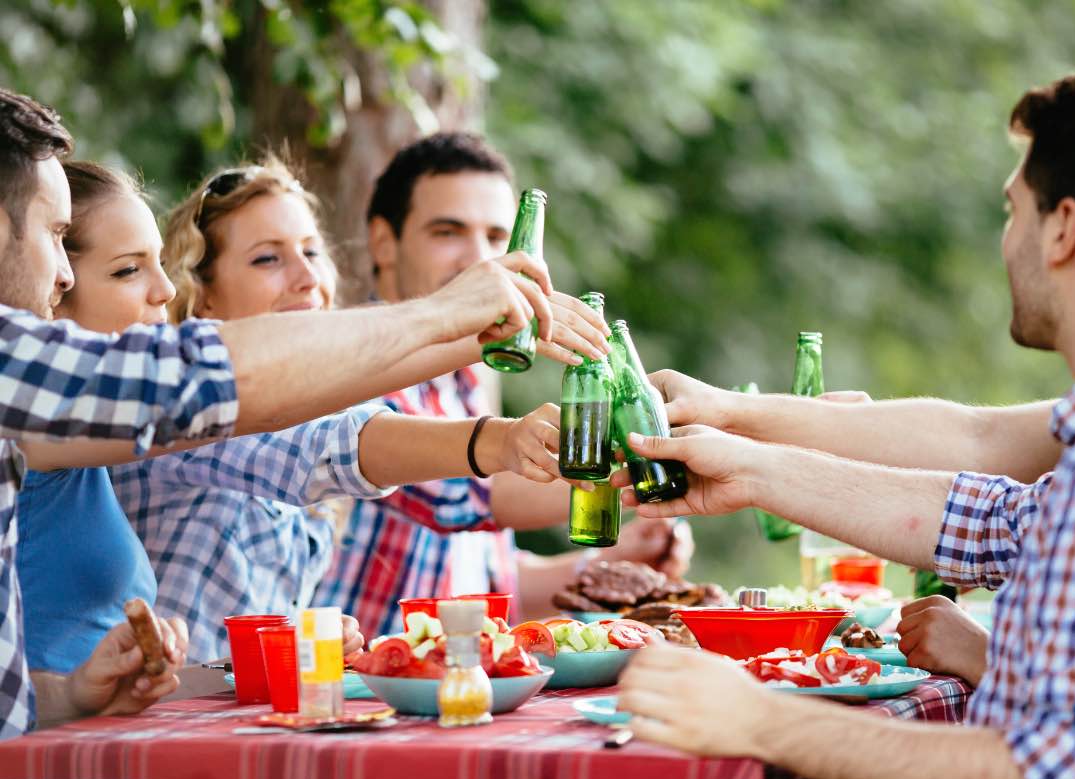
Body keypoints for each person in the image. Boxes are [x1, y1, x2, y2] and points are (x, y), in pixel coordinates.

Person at [614, 60, 1075, 779]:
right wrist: (751, 464)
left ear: (1065, 231)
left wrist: (758, 720)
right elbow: (987, 513)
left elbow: (1050, 774)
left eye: (1014, 211)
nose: (1007, 239)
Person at [0, 87, 562, 736]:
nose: (64, 274)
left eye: (310, 251)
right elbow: (290, 426)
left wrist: (71, 693)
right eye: (55, 234)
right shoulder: (47, 390)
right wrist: (463, 338)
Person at [89, 156, 602, 662]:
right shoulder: (177, 397)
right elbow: (344, 447)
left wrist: (309, 635)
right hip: (163, 719)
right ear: (200, 297)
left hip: (240, 717)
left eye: (312, 253)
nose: (307, 278)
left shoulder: (444, 383)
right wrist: (510, 437)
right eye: (268, 258)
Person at [314, 132, 694, 634]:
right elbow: (474, 492)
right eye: (448, 232)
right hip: (362, 690)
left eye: (496, 238)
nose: (482, 261)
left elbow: (485, 576)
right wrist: (647, 468)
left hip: (457, 682)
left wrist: (612, 563)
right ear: (384, 242)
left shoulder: (466, 377)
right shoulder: (354, 359)